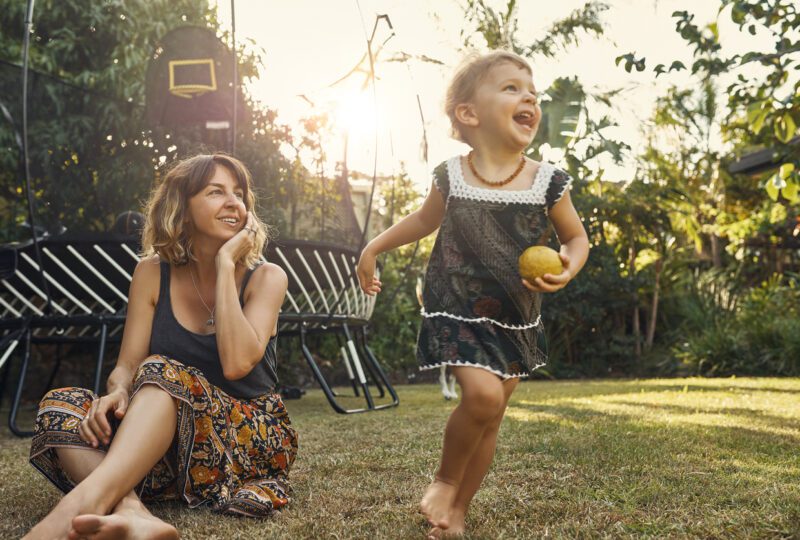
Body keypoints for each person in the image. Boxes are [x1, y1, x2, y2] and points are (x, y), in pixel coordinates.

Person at [356, 51, 590, 538]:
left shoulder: (548, 181)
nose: (528, 96)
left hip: (516, 314)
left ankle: (457, 512)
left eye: (532, 92)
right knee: (482, 397)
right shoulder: (452, 175)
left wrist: (568, 267)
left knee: (491, 416)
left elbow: (576, 238)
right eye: (510, 88)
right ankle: (444, 481)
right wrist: (373, 247)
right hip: (453, 304)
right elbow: (424, 222)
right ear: (469, 113)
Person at [25, 153, 298, 540]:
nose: (234, 202)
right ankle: (132, 510)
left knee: (160, 370)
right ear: (182, 208)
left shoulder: (267, 277)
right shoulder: (152, 272)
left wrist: (224, 265)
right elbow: (128, 364)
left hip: (245, 440)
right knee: (61, 406)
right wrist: (117, 392)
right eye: (216, 191)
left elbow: (237, 363)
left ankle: (72, 511)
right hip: (165, 445)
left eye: (239, 194)